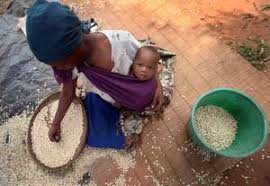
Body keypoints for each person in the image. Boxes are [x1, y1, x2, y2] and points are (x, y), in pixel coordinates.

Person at [26, 0, 164, 145]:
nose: (59, 70)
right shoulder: (69, 65)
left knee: (149, 94)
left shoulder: (121, 42)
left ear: (74, 48)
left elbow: (148, 62)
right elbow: (68, 91)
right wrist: (56, 123)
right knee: (92, 136)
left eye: (59, 64)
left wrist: (158, 84)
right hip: (107, 97)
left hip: (135, 85)